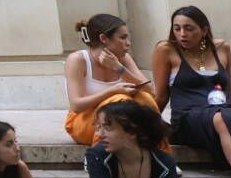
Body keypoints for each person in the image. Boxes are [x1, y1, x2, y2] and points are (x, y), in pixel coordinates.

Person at [63, 12, 164, 148]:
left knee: (144, 98)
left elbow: (150, 91)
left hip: (120, 122)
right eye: (123, 38)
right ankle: (98, 157)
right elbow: (76, 105)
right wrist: (113, 92)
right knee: (118, 100)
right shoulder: (78, 60)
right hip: (84, 122)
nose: (128, 44)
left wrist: (119, 68)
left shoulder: (123, 58)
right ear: (104, 38)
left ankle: (162, 154)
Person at [152, 5, 231, 169]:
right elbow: (161, 96)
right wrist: (149, 125)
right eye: (177, 28)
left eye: (188, 28)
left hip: (222, 110)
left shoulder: (221, 48)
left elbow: (228, 90)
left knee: (224, 115)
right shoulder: (166, 50)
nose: (182, 34)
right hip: (187, 118)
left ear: (204, 31)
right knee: (221, 118)